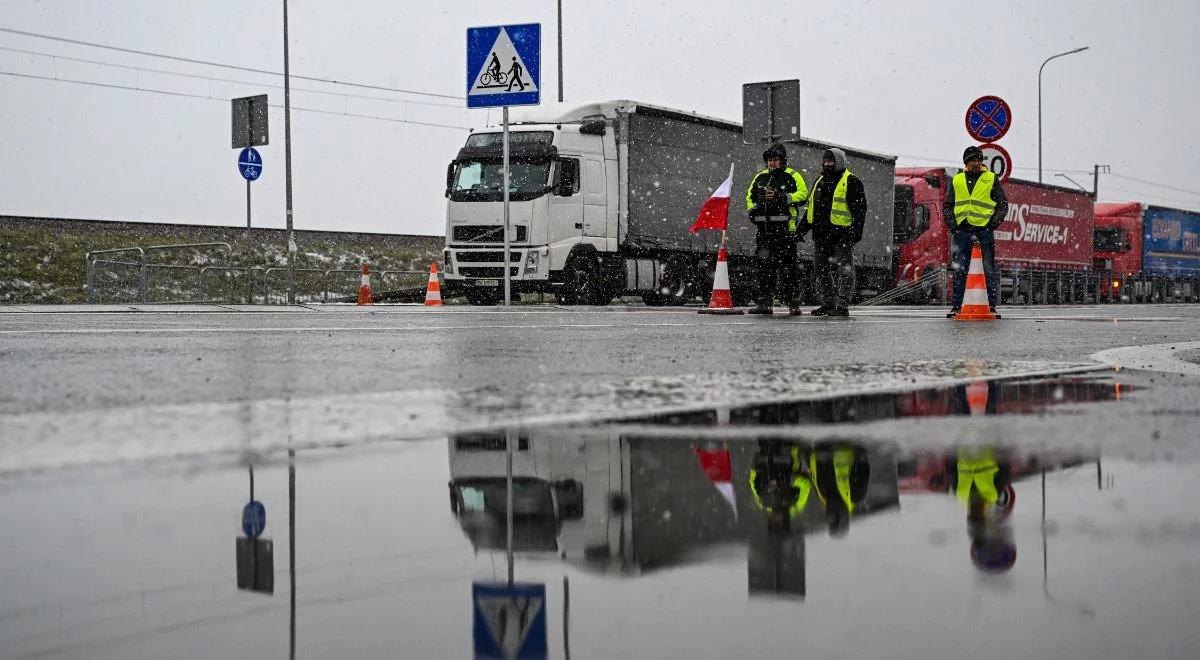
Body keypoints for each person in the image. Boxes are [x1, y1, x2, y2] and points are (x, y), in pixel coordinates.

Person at [745, 143, 809, 315]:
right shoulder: (760, 177)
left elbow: (803, 195)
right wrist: (752, 211)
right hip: (764, 232)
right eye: (770, 160)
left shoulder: (792, 176)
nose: (772, 163)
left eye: (775, 159)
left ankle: (793, 304)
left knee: (788, 270)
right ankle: (765, 303)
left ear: (782, 160)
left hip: (786, 232)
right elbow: (749, 197)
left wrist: (782, 197)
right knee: (764, 269)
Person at [946, 146, 1009, 318]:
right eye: (972, 160)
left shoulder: (990, 178)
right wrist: (954, 227)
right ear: (966, 162)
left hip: (984, 230)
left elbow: (1002, 204)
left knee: (988, 269)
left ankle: (992, 306)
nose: (976, 163)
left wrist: (992, 224)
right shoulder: (957, 180)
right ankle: (956, 307)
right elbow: (948, 205)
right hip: (962, 230)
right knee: (959, 270)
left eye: (978, 159)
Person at [807, 148, 868, 317]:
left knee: (845, 270)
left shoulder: (851, 181)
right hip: (821, 235)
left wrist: (855, 233)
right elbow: (811, 208)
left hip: (841, 235)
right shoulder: (819, 181)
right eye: (825, 161)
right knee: (820, 269)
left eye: (831, 161)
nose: (827, 164)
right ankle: (827, 304)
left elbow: (859, 210)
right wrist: (802, 229)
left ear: (839, 162)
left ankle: (842, 305)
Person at [808, 442, 870, 537]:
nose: (830, 518)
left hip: (819, 444)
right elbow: (861, 459)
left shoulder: (822, 497)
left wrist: (810, 454)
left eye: (829, 522)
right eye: (834, 521)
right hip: (843, 442)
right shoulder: (856, 495)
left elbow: (813, 472)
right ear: (843, 520)